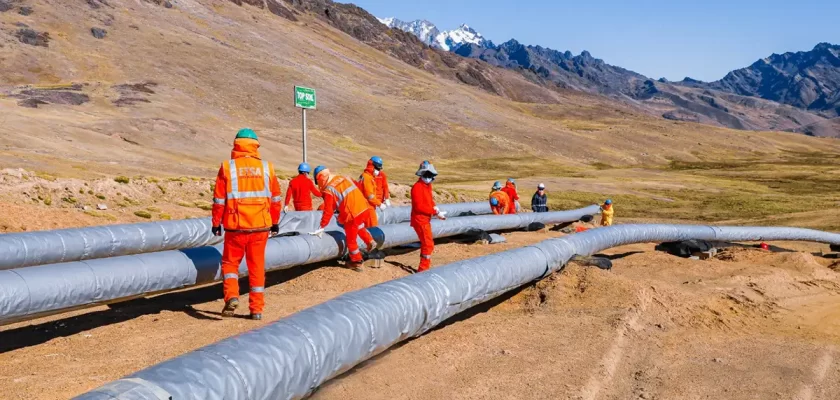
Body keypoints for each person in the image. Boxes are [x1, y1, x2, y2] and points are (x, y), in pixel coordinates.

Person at [211, 128, 282, 321]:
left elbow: (219, 200)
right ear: (256, 145)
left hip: (235, 226)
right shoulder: (267, 168)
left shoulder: (227, 167)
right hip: (260, 227)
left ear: (236, 145)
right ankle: (256, 310)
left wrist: (216, 223)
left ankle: (232, 296)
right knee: (256, 266)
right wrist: (275, 222)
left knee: (230, 264)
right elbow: (276, 199)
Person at [309, 165, 376, 271]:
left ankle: (356, 262)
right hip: (363, 207)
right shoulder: (342, 178)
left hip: (352, 214)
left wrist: (322, 226)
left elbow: (328, 211)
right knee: (359, 226)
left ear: (320, 179)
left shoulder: (329, 189)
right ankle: (369, 241)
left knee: (351, 240)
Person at [411, 161, 447, 272]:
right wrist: (434, 211)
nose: (428, 178)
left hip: (425, 219)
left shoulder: (427, 186)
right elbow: (419, 207)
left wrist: (436, 210)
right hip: (420, 220)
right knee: (428, 244)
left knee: (427, 243)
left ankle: (423, 268)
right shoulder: (417, 187)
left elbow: (429, 201)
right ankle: (423, 270)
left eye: (430, 175)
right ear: (421, 174)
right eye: (426, 175)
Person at [357, 156, 386, 228]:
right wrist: (379, 204)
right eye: (378, 168)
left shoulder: (366, 176)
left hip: (363, 207)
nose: (378, 171)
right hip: (368, 207)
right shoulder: (367, 178)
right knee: (373, 228)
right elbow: (369, 196)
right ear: (372, 166)